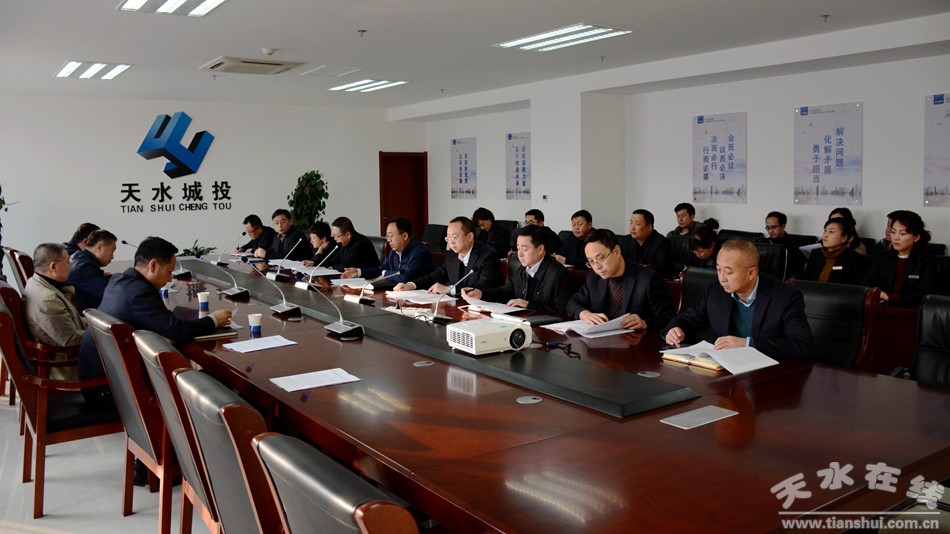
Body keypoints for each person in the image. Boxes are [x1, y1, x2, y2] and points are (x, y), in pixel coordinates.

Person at [78, 237, 232, 406]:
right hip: (111, 391)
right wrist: (213, 320)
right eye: (169, 271)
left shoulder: (120, 280)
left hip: (102, 381)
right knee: (211, 384)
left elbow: (163, 324)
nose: (170, 279)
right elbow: (178, 331)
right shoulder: (139, 293)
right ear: (153, 265)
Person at [662, 238, 813, 360]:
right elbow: (687, 319)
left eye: (729, 272)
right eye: (718, 269)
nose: (722, 278)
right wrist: (675, 329)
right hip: (724, 371)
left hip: (767, 376)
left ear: (751, 273)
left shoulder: (785, 297)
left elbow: (802, 346)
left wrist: (748, 344)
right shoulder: (716, 290)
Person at [565, 229, 674, 331]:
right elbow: (572, 302)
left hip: (634, 341)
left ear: (616, 251)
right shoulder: (594, 276)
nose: (597, 267)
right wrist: (584, 314)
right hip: (601, 339)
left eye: (601, 258)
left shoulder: (648, 279)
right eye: (591, 261)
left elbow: (668, 319)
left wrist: (645, 323)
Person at [463, 225, 575, 315]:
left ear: (540, 249)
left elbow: (564, 312)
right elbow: (505, 292)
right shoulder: (522, 269)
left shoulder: (558, 274)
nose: (519, 254)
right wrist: (481, 294)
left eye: (524, 249)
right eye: (518, 248)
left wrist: (528, 305)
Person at [22, 243, 86, 381]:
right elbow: (70, 339)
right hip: (67, 367)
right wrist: (103, 333)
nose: (71, 265)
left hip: (65, 354)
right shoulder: (47, 300)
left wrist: (98, 324)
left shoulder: (35, 282)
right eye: (68, 261)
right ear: (53, 266)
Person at [394, 216, 502, 295]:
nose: (451, 242)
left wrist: (449, 289)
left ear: (470, 237)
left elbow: (482, 287)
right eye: (448, 238)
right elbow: (437, 275)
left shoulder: (488, 256)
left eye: (454, 237)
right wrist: (411, 285)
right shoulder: (452, 254)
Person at [861, 210, 936, 306]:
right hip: (883, 308)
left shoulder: (927, 260)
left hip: (913, 310)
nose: (896, 238)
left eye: (902, 234)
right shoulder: (883, 258)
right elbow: (865, 285)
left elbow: (924, 293)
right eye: (893, 232)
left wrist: (889, 297)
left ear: (916, 237)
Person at [342, 217, 433, 285]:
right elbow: (380, 270)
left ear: (405, 236)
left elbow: (406, 278)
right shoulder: (394, 252)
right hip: (397, 293)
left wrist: (385, 273)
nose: (388, 240)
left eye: (391, 236)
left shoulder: (420, 252)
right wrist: (358, 272)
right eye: (387, 236)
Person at [798, 217, 867, 284]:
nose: (825, 235)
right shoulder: (816, 253)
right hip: (812, 291)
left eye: (831, 232)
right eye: (825, 231)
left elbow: (854, 288)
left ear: (844, 238)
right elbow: (805, 280)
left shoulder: (854, 259)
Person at [67, 228, 117, 313]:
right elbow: (109, 294)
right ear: (99, 247)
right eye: (112, 251)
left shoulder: (80, 257)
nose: (112, 257)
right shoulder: (83, 267)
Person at [619, 209, 672, 275]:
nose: (632, 227)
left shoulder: (661, 242)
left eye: (637, 224)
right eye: (631, 223)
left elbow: (660, 268)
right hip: (632, 278)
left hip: (654, 278)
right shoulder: (626, 240)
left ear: (649, 227)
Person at [756, 211, 807, 279]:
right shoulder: (763, 244)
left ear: (783, 226)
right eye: (768, 228)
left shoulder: (795, 244)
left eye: (774, 227)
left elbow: (799, 270)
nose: (770, 231)